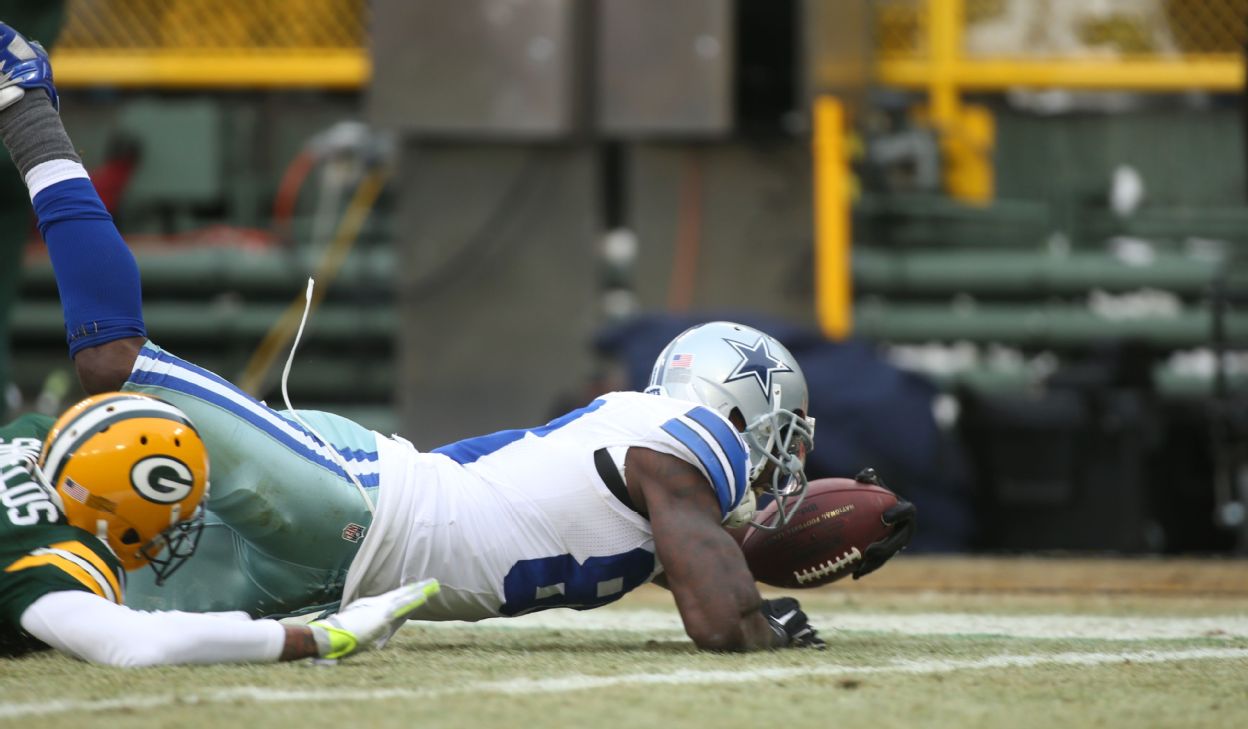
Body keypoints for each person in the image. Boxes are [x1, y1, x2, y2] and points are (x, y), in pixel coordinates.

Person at [0, 23, 915, 652]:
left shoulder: (666, 492)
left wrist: (790, 578)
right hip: (352, 504)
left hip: (326, 573)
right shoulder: (683, 445)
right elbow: (717, 614)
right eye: (780, 431)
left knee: (50, 618)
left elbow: (704, 565)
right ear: (739, 408)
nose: (779, 457)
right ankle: (27, 107)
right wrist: (758, 623)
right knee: (112, 363)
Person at [0, 389, 439, 665]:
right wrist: (319, 639)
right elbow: (135, 644)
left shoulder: (37, 436)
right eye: (179, 511)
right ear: (125, 512)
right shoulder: (52, 560)